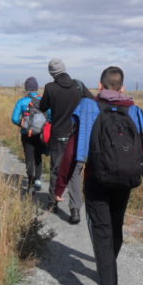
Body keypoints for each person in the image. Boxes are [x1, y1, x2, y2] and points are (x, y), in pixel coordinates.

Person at [55, 66, 143, 285]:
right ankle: (107, 270)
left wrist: (60, 185)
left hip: (96, 181)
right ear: (123, 88)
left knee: (102, 234)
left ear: (99, 87)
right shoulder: (136, 112)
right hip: (125, 181)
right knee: (115, 231)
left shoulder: (88, 107)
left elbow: (72, 150)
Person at [39, 58, 93, 223]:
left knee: (56, 169)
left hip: (58, 135)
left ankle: (53, 203)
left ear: (51, 73)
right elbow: (92, 102)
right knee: (75, 172)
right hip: (77, 136)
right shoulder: (79, 86)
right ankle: (75, 210)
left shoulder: (50, 88)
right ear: (64, 69)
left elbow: (42, 108)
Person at [11, 76, 46, 195]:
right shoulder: (43, 100)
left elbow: (14, 118)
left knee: (29, 157)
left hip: (26, 134)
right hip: (40, 134)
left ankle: (30, 182)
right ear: (36, 88)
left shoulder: (21, 101)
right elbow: (50, 116)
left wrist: (22, 124)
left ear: (27, 88)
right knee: (38, 156)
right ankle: (38, 180)